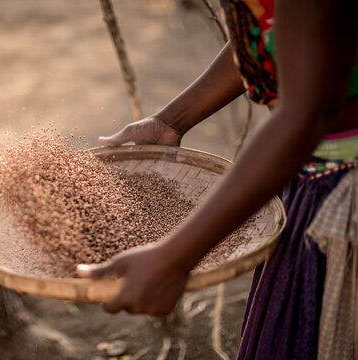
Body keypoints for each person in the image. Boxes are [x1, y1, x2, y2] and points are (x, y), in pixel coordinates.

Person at [76, 0, 358, 359]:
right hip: (307, 172)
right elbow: (279, 34)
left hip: (342, 190)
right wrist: (171, 122)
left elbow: (308, 113)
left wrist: (174, 258)